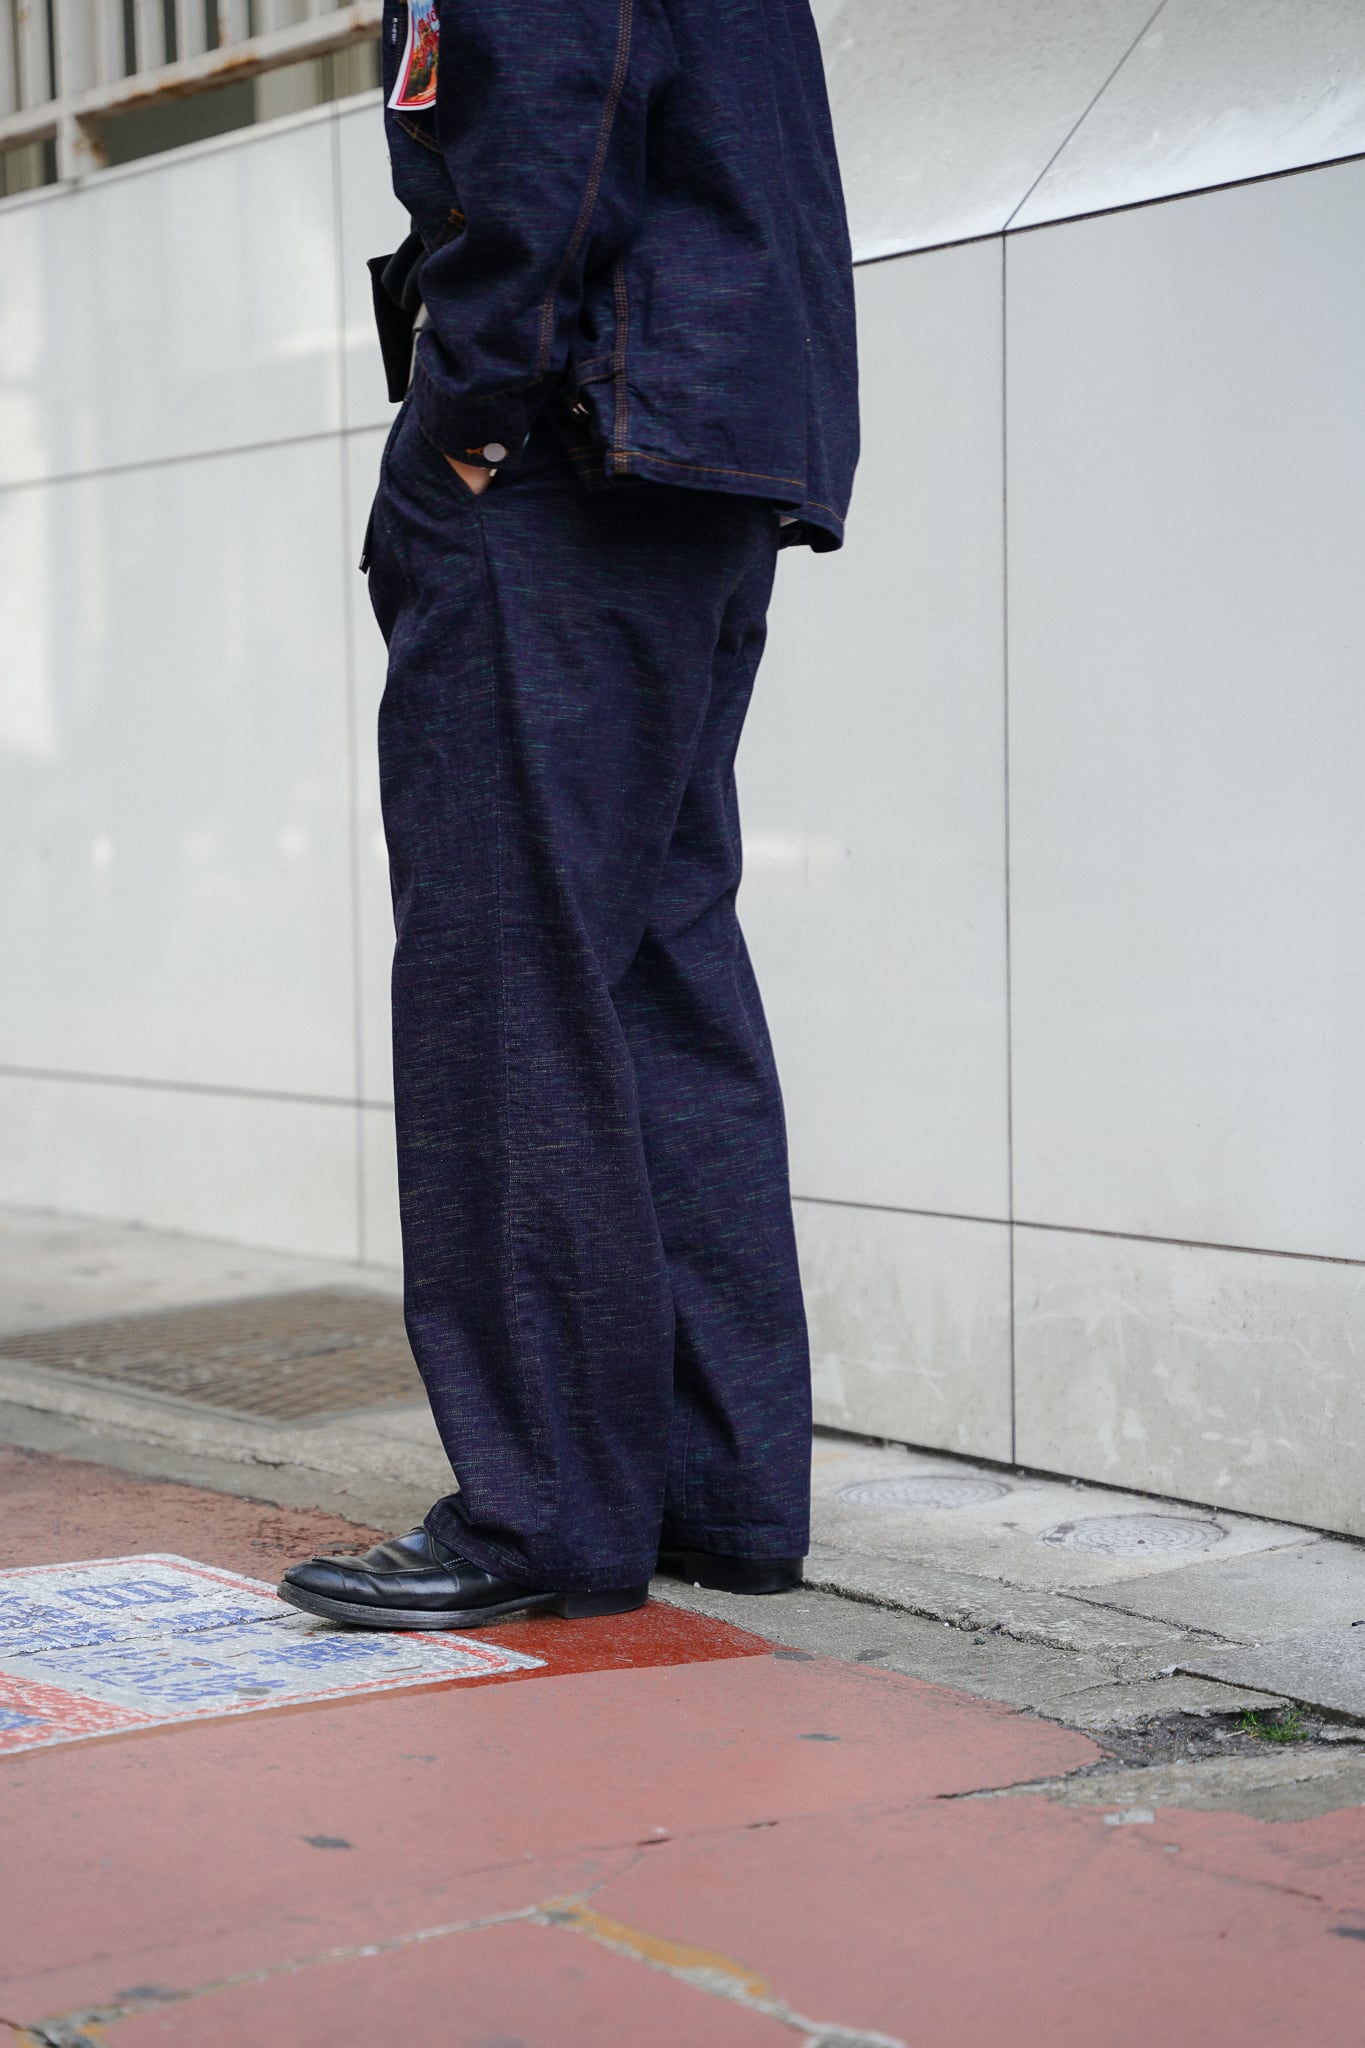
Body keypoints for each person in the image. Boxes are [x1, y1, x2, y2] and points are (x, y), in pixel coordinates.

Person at [278, 0, 858, 1631]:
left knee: (506, 980)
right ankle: (715, 1490)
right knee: (659, 969)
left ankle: (542, 1512)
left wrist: (461, 421)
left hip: (566, 449)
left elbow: (543, 127)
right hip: (705, 440)